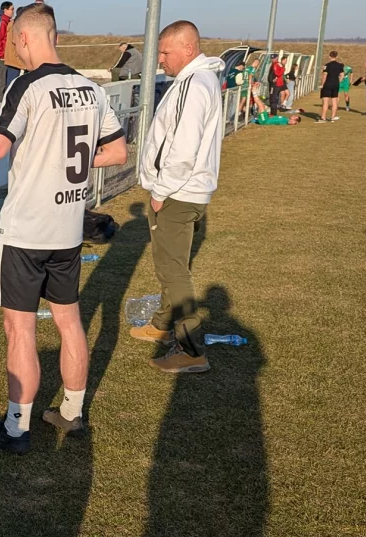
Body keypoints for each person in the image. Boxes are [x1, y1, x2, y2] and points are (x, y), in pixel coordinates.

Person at [0, 2, 127, 452]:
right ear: (55, 36)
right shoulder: (91, 89)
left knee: (19, 329)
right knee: (69, 321)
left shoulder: (27, 85)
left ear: (23, 38)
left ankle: (16, 428)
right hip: (68, 227)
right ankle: (71, 412)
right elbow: (118, 152)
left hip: (27, 230)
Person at [133, 20, 224, 373]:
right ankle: (162, 324)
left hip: (178, 192)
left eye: (165, 52)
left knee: (173, 271)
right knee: (171, 265)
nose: (160, 60)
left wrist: (160, 190)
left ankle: (191, 349)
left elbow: (183, 147)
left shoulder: (194, 84)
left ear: (188, 49)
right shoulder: (198, 81)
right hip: (184, 190)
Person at [0, 3, 15, 104]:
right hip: (0, 56)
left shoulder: (6, 22)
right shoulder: (2, 22)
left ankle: (2, 102)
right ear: (5, 10)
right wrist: (1, 55)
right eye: (11, 9)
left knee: (5, 81)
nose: (13, 11)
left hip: (4, 55)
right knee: (1, 81)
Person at [318, 50, 344, 123]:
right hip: (335, 84)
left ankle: (323, 117)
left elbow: (324, 75)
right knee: (334, 101)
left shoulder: (327, 65)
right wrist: (338, 81)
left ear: (329, 56)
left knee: (325, 101)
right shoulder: (340, 65)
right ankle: (333, 117)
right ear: (337, 56)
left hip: (327, 84)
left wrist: (322, 84)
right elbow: (342, 75)